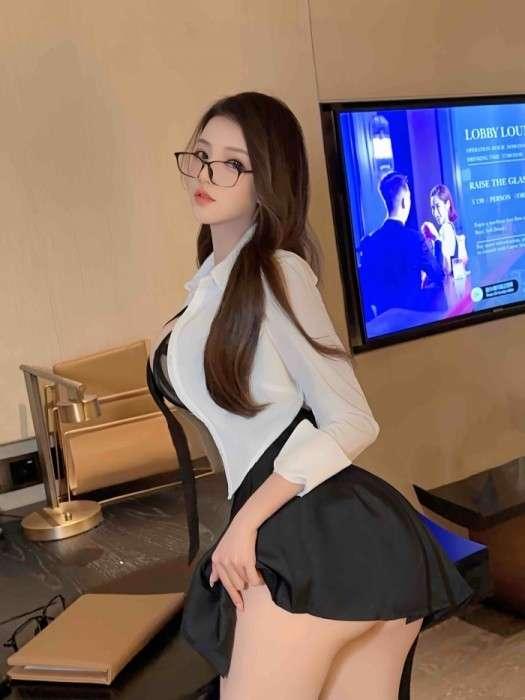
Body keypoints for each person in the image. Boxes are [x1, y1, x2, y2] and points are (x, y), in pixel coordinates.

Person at [146, 92, 474, 699]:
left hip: (315, 535)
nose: (207, 173)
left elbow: (352, 419)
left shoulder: (276, 272)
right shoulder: (215, 286)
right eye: (202, 155)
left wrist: (245, 523)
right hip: (325, 532)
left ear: (267, 180)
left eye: (233, 163)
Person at [360, 172, 446, 319]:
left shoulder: (369, 243)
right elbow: (438, 274)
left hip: (384, 326)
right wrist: (437, 241)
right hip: (413, 322)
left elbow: (367, 294)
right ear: (405, 202)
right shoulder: (414, 239)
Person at [421, 183, 469, 276]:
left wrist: (436, 239)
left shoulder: (445, 229)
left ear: (447, 204)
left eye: (437, 206)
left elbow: (447, 269)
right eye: (433, 208)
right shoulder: (449, 227)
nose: (435, 213)